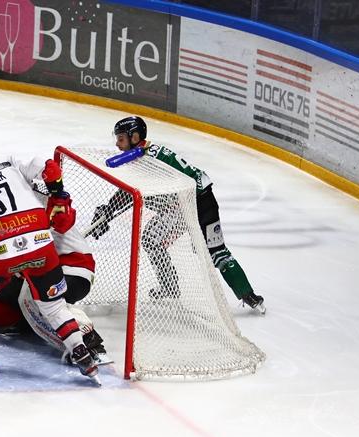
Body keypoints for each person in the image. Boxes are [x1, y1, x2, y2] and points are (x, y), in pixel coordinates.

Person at [0, 140, 100, 384]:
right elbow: (49, 167)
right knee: (52, 305)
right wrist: (59, 194)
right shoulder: (12, 166)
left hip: (5, 252)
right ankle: (84, 356)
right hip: (42, 243)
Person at [89, 116, 265, 313]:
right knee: (152, 240)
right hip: (185, 203)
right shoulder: (145, 154)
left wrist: (109, 210)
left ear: (135, 137)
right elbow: (131, 191)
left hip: (198, 203)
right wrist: (109, 209)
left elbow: (128, 193)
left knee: (215, 252)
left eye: (121, 139)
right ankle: (171, 287)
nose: (117, 144)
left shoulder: (146, 159)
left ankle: (247, 294)